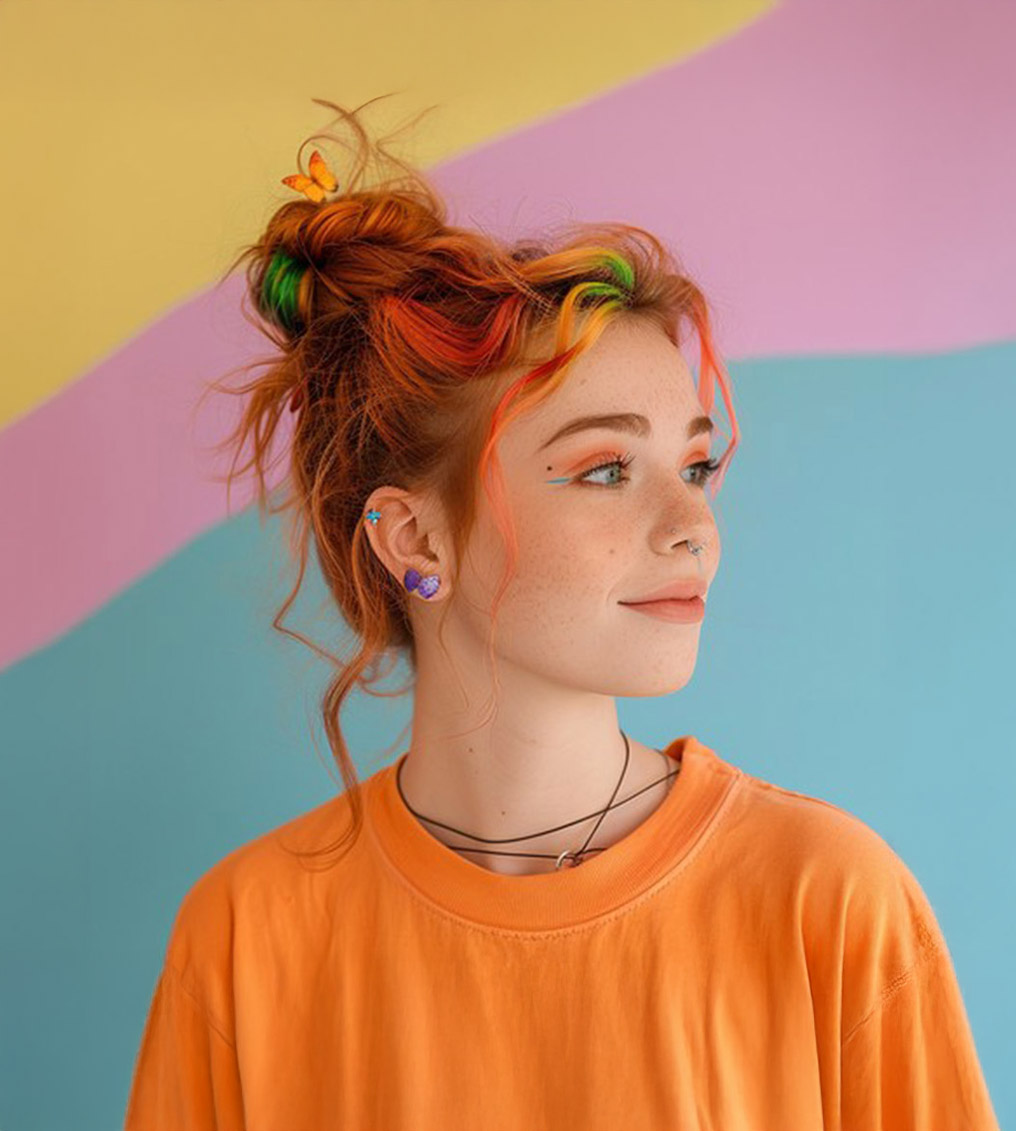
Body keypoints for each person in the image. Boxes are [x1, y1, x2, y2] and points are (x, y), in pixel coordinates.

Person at [123, 95, 1000, 1129]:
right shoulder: (245, 936)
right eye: (603, 469)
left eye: (695, 463)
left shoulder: (829, 902)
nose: (691, 526)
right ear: (412, 540)